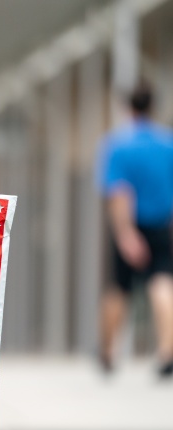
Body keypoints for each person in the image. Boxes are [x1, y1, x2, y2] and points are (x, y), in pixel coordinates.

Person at [98, 84, 173, 377]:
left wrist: (125, 233)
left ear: (128, 109)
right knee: (162, 282)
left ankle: (107, 351)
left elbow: (119, 192)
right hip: (161, 224)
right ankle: (167, 349)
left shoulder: (117, 145)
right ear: (153, 107)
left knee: (119, 288)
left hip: (132, 223)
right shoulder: (168, 144)